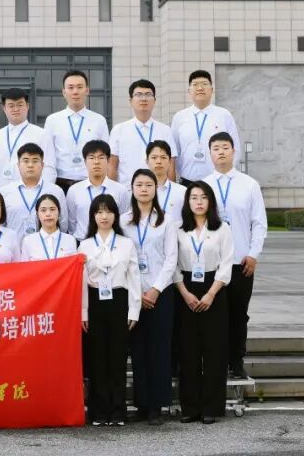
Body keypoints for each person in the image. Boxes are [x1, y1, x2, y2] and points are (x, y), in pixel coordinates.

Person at [201, 132, 267, 380]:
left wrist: (253, 254)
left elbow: (259, 223)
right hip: (211, 264)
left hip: (241, 262)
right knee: (213, 316)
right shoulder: (203, 186)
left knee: (239, 314)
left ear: (233, 151)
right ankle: (214, 361)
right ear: (210, 153)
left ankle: (236, 362)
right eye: (216, 148)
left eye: (225, 147)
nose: (220, 152)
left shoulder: (249, 185)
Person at [122, 168, 178, 426]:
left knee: (159, 349)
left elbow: (171, 259)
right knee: (138, 350)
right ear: (132, 189)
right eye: (139, 185)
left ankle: (157, 405)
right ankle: (142, 404)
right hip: (132, 294)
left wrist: (155, 289)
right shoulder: (124, 221)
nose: (144, 189)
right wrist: (138, 292)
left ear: (156, 189)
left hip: (161, 293)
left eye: (148, 185)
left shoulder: (166, 221)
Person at [174, 181, 234, 424]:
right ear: (187, 202)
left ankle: (211, 407)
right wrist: (185, 293)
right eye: (194, 197)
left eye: (203, 197)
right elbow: (173, 264)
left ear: (211, 201)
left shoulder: (222, 229)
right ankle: (190, 407)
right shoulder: (179, 230)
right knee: (188, 350)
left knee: (214, 351)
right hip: (186, 289)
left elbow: (227, 264)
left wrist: (210, 294)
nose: (198, 202)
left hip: (214, 289)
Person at [78, 194, 140, 427]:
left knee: (117, 357)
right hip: (95, 301)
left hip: (119, 300)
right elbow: (81, 282)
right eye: (99, 212)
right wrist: (83, 312)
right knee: (97, 358)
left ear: (115, 215)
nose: (104, 216)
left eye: (108, 211)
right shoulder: (85, 245)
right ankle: (99, 411)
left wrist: (134, 310)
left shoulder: (126, 243)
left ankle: (117, 411)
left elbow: (134, 277)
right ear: (93, 216)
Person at [171, 70, 242, 186]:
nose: (200, 88)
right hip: (187, 182)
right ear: (189, 91)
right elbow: (174, 151)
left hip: (218, 182)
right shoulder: (179, 117)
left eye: (204, 84)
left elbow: (235, 149)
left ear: (212, 89)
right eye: (195, 84)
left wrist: (225, 174)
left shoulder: (224, 115)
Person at [44, 70, 110, 193]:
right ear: (64, 92)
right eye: (70, 87)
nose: (75, 91)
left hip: (90, 183)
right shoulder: (52, 120)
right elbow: (48, 157)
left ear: (87, 90)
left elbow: (106, 156)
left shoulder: (99, 120)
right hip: (60, 183)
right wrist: (49, 187)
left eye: (80, 87)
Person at [108, 79, 175, 185]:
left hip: (158, 189)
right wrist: (112, 191)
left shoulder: (165, 130)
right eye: (138, 95)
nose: (143, 99)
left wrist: (170, 191)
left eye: (148, 95)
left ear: (154, 100)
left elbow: (171, 166)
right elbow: (112, 166)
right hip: (127, 189)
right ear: (131, 101)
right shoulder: (118, 130)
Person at [0, 87, 56, 189]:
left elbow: (49, 168)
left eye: (20, 105)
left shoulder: (41, 134)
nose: (16, 109)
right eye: (11, 105)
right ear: (4, 108)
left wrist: (42, 192)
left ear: (27, 106)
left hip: (30, 192)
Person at [0, 143, 67, 239]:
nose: (30, 165)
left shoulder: (55, 191)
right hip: (14, 245)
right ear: (18, 165)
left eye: (35, 161)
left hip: (46, 246)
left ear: (42, 165)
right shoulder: (5, 191)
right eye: (26, 161)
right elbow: (1, 224)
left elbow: (63, 224)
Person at [66, 141, 130, 237]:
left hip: (112, 242)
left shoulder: (120, 190)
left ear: (108, 160)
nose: (96, 162)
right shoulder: (74, 190)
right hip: (82, 241)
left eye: (101, 157)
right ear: (85, 161)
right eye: (91, 158)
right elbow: (72, 223)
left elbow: (123, 220)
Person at [21, 194, 78, 261]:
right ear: (37, 214)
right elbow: (24, 266)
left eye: (52, 209)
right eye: (43, 210)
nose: (48, 214)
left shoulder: (70, 240)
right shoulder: (28, 241)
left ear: (59, 212)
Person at [146, 140, 185, 222]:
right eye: (154, 157)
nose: (158, 161)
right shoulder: (138, 191)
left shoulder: (182, 192)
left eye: (163, 157)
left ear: (170, 161)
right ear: (147, 161)